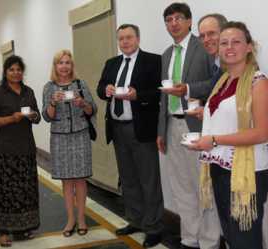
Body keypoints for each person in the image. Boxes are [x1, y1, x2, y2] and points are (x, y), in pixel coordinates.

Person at [189, 21, 268, 249]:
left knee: (245, 237)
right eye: (224, 42)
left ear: (249, 47)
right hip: (220, 167)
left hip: (247, 171)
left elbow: (262, 132)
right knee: (231, 234)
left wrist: (214, 140)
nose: (229, 47)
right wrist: (208, 119)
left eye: (236, 42)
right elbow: (229, 116)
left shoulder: (258, 82)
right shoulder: (224, 81)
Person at [157, 3, 221, 249]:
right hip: (172, 126)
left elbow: (214, 84)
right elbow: (163, 97)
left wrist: (188, 89)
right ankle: (189, 238)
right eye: (169, 20)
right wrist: (160, 131)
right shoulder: (166, 54)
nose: (173, 23)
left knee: (203, 187)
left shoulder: (203, 47)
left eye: (178, 18)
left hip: (197, 125)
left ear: (189, 21)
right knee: (181, 186)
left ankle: (209, 241)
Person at [97, 24, 163, 248]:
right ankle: (135, 219)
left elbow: (158, 93)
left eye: (129, 37)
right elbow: (100, 88)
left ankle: (154, 228)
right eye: (121, 38)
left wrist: (138, 96)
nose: (125, 42)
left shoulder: (152, 61)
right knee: (128, 178)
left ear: (138, 38)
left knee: (149, 180)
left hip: (141, 128)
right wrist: (105, 90)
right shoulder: (112, 63)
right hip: (117, 128)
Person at [0, 55, 41, 247]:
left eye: (19, 69)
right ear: (5, 72)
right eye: (11, 69)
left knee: (26, 189)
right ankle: (4, 232)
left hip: (26, 148)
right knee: (5, 192)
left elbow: (37, 116)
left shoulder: (28, 92)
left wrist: (33, 116)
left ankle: (25, 227)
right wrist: (11, 118)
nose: (15, 73)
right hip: (6, 150)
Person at [42, 49, 97, 238]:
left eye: (67, 62)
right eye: (60, 63)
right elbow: (47, 117)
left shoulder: (80, 84)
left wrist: (82, 103)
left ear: (71, 66)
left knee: (80, 180)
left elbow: (92, 110)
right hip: (59, 138)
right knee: (66, 182)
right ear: (55, 66)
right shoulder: (49, 87)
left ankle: (81, 219)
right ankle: (70, 219)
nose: (64, 66)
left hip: (80, 136)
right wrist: (53, 103)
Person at [188, 13, 228, 120]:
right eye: (202, 36)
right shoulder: (216, 62)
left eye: (211, 34)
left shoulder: (239, 64)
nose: (206, 40)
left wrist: (207, 112)